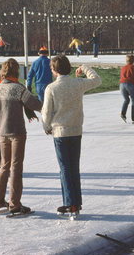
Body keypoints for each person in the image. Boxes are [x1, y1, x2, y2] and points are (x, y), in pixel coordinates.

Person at [42, 55, 101, 215]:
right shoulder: (78, 84)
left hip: (60, 133)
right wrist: (84, 67)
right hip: (76, 131)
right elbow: (96, 80)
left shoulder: (51, 88)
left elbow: (46, 112)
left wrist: (46, 126)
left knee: (65, 169)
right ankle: (76, 202)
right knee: (74, 167)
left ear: (54, 70)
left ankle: (70, 203)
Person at [0, 58, 42, 214]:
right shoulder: (18, 88)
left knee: (4, 166)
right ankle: (15, 204)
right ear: (16, 71)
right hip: (17, 132)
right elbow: (35, 104)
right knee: (16, 167)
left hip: (2, 133)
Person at [120, 54, 134, 123]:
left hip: (121, 85)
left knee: (126, 100)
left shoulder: (123, 68)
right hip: (129, 84)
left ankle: (123, 113)